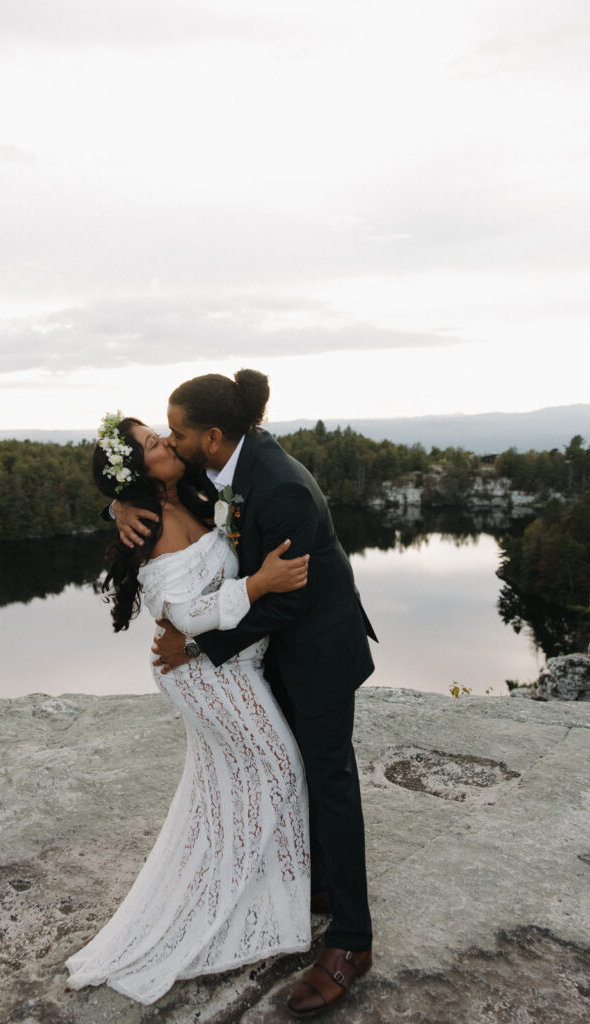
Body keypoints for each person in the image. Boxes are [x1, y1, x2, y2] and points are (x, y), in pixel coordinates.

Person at [112, 369, 379, 1019]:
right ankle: (316, 888)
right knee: (297, 769)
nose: (168, 443)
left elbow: (291, 598)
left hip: (315, 648)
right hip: (274, 654)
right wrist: (118, 502)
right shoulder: (222, 465)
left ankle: (351, 942)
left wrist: (197, 646)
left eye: (174, 433)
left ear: (210, 435)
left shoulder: (280, 487)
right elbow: (159, 488)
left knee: (327, 778)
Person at [65, 412, 312, 1005]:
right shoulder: (149, 523)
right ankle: (236, 912)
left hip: (229, 665)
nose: (167, 443)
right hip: (202, 672)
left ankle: (258, 900)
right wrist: (260, 583)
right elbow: (186, 616)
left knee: (222, 787)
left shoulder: (193, 489)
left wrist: (116, 503)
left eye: (161, 434)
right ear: (137, 473)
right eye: (153, 444)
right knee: (279, 768)